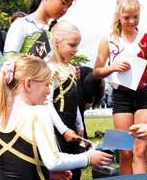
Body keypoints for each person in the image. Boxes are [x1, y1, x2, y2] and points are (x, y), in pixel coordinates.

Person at [0, 55, 112, 179]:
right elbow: (54, 160)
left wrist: (48, 173)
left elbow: (13, 164)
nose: (49, 91)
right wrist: (88, 158)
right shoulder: (38, 113)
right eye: (47, 84)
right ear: (28, 84)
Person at [3, 0, 79, 143]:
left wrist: (67, 70)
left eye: (69, 5)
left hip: (47, 104)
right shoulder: (22, 25)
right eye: (63, 2)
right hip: (22, 102)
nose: (65, 9)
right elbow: (8, 64)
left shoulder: (56, 30)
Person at [93, 0, 147, 175]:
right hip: (121, 96)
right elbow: (96, 71)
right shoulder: (109, 40)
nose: (131, 21)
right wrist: (113, 67)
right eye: (126, 17)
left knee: (140, 151)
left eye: (135, 16)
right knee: (124, 151)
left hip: (143, 95)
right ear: (118, 17)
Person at [46, 20, 86, 179]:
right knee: (62, 171)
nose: (75, 50)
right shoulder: (49, 68)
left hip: (71, 126)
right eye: (72, 45)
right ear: (56, 43)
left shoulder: (70, 68)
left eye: (77, 46)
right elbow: (47, 103)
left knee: (76, 169)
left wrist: (79, 124)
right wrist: (63, 130)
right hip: (56, 127)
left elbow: (74, 100)